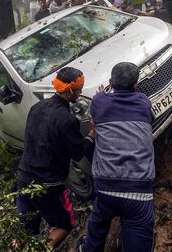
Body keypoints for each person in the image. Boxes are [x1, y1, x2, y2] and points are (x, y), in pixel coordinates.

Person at [16, 67, 96, 248]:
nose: (81, 92)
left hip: (23, 177)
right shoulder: (66, 120)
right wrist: (91, 134)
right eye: (78, 89)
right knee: (65, 225)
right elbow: (77, 152)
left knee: (26, 230)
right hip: (47, 184)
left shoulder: (36, 108)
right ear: (68, 91)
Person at [81, 62, 155, 252]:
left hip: (106, 188)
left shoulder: (98, 102)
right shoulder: (144, 102)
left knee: (97, 224)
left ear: (110, 82)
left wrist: (102, 96)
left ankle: (88, 247)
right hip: (140, 191)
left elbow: (97, 113)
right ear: (136, 84)